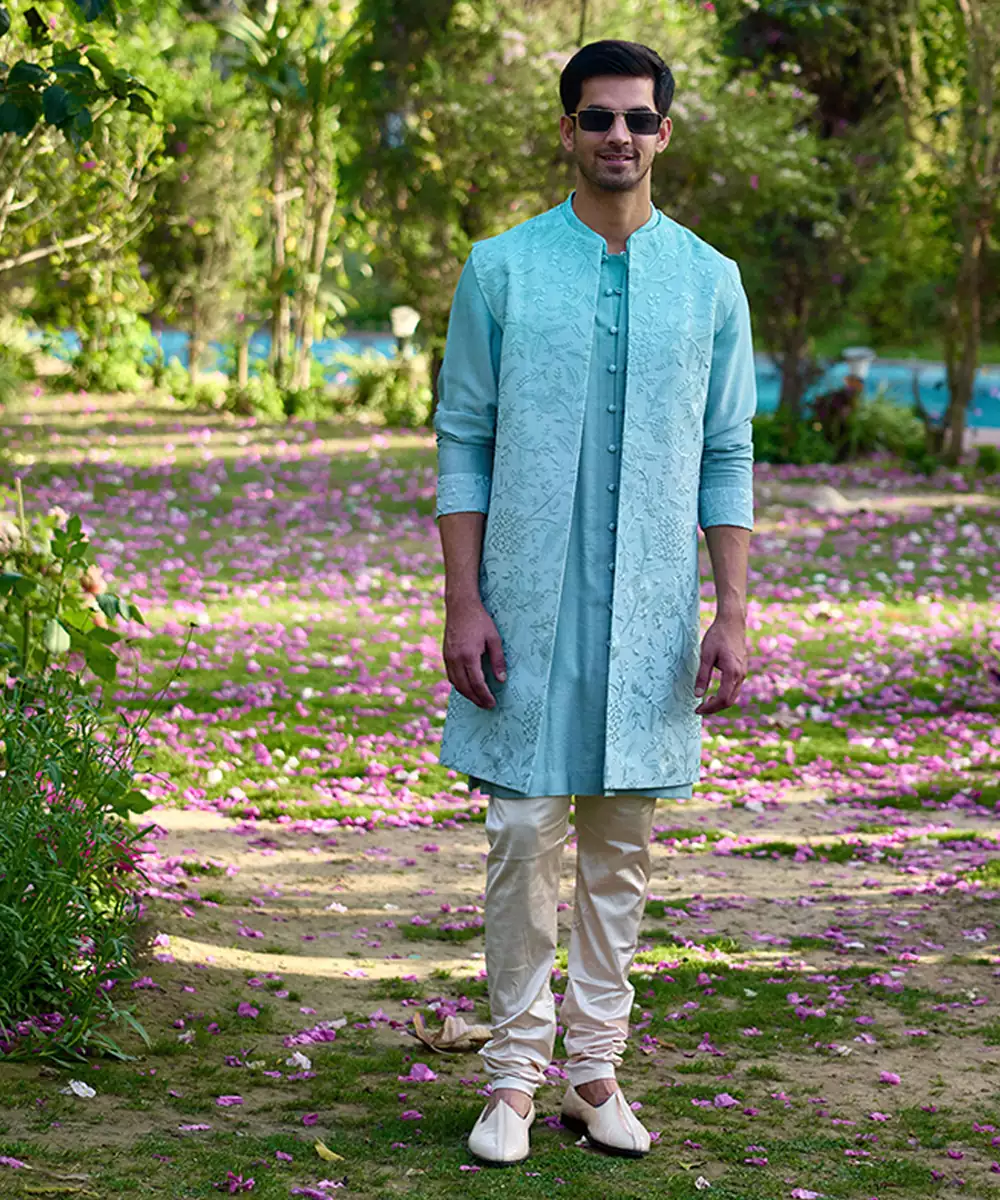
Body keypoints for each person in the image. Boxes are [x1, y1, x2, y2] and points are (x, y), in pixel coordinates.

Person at [433, 39, 756, 1166]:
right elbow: (462, 439)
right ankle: (513, 1077)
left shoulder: (709, 281)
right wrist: (463, 600)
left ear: (665, 131)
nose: (620, 134)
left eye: (638, 117)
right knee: (522, 836)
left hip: (649, 613)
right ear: (567, 130)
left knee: (621, 847)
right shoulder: (502, 270)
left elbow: (726, 452)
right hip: (527, 608)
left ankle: (595, 1072)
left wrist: (731, 611)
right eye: (599, 117)